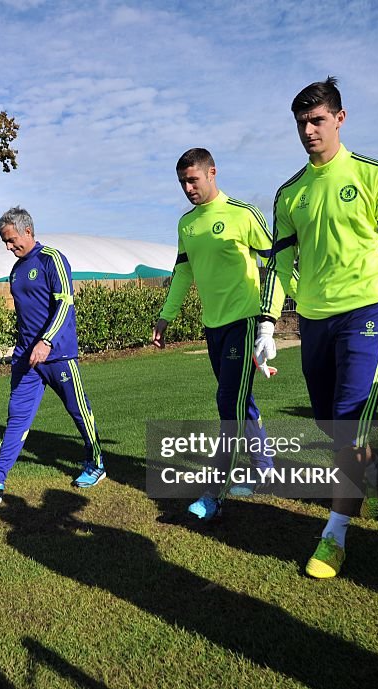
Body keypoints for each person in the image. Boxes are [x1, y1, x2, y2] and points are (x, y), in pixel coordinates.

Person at [256, 77, 378, 578]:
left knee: (350, 425)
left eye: (317, 120)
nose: (308, 130)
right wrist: (268, 327)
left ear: (340, 118)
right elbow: (279, 266)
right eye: (301, 123)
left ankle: (334, 534)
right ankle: (371, 479)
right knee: (331, 427)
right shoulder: (290, 193)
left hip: (367, 312)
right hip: (313, 319)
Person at [153, 148, 283, 521]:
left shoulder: (243, 214)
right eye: (182, 182)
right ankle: (265, 469)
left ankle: (213, 492)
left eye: (193, 179)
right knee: (241, 402)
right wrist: (166, 317)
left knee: (228, 404)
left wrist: (273, 315)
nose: (188, 188)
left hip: (244, 322)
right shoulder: (187, 225)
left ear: (212, 173)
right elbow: (182, 273)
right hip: (214, 328)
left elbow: (276, 261)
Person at [0, 207, 105, 503]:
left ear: (28, 231)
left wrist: (47, 341)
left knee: (79, 412)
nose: (9, 247)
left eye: (12, 240)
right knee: (17, 418)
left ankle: (97, 463)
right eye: (5, 243)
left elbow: (65, 304)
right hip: (26, 359)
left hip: (58, 354)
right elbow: (26, 317)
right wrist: (22, 350)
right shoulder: (16, 271)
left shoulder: (52, 259)